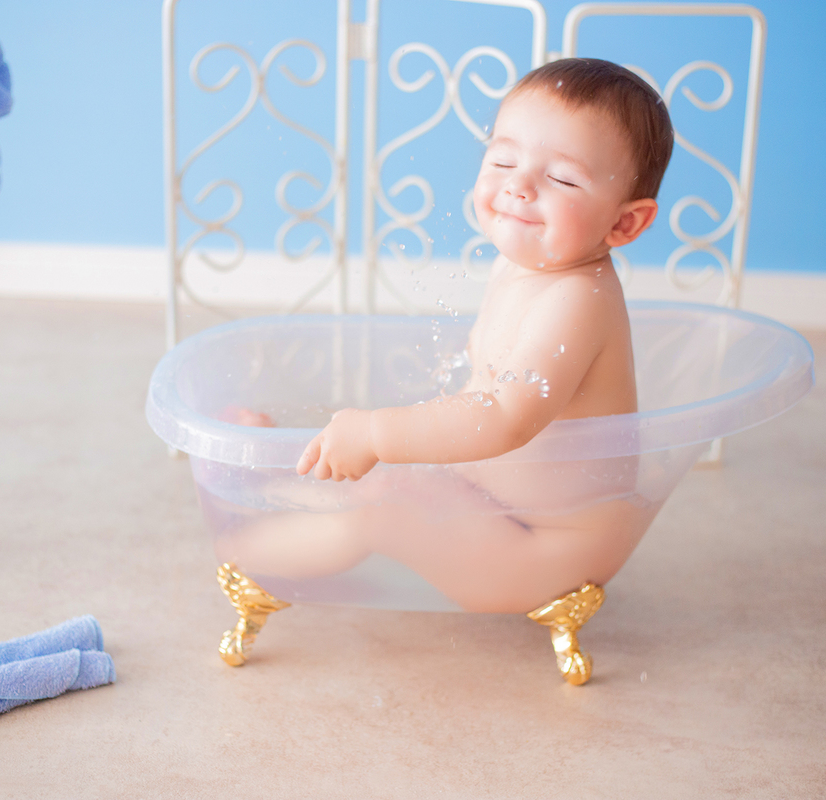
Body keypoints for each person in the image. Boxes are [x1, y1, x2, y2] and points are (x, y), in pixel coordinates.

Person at [227, 58, 674, 613]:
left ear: (623, 224)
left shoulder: (577, 300)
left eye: (561, 177)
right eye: (504, 159)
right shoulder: (523, 267)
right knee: (397, 459)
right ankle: (286, 483)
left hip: (544, 555)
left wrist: (376, 434)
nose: (519, 185)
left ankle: (239, 549)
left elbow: (505, 416)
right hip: (493, 507)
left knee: (384, 495)